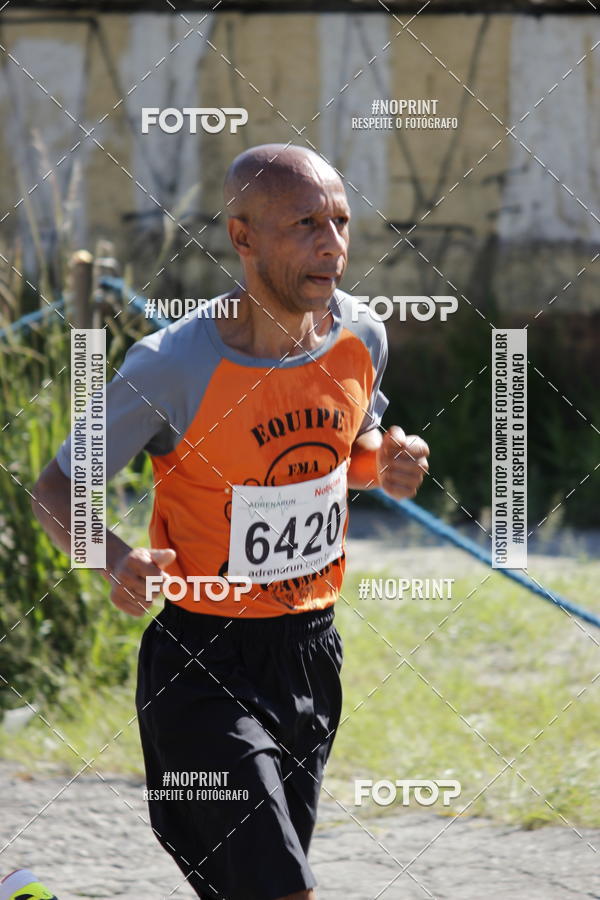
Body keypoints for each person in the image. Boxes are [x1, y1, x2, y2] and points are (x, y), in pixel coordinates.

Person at [32, 144, 429, 900]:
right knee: (284, 891)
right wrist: (115, 558)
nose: (333, 244)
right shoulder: (171, 366)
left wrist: (390, 465)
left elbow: (350, 454)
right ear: (242, 238)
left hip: (313, 657)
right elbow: (54, 488)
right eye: (306, 223)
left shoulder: (362, 337)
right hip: (201, 664)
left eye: (342, 221)